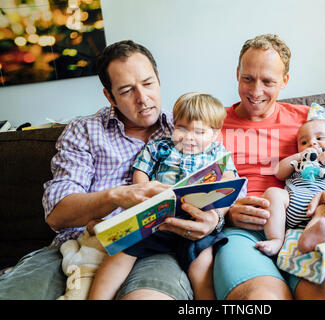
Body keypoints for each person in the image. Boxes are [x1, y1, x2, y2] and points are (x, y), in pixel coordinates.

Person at [0, 40, 221, 300]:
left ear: (159, 80)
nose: (143, 98)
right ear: (110, 95)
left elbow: (220, 179)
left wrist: (215, 218)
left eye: (148, 83)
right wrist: (115, 196)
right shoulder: (84, 130)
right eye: (127, 90)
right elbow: (57, 215)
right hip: (80, 242)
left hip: (157, 247)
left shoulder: (188, 127)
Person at [214, 34, 325, 300]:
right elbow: (194, 182)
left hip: (309, 221)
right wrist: (225, 212)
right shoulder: (213, 123)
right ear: (237, 73)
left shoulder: (312, 121)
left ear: (284, 81)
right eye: (247, 78)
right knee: (264, 298)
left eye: (268, 81)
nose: (256, 91)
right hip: (245, 229)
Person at [89, 92, 236, 300]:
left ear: (214, 134)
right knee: (121, 250)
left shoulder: (218, 154)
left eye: (199, 132)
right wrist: (145, 195)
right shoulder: (161, 147)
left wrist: (217, 202)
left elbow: (229, 178)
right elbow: (141, 170)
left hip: (196, 223)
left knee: (204, 263)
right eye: (181, 128)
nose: (188, 137)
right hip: (158, 220)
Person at [254, 118, 325, 257]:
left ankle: (311, 235)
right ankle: (276, 239)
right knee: (273, 193)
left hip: (320, 202)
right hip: (290, 203)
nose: (312, 143)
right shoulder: (299, 161)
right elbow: (278, 172)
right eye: (304, 142)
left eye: (320, 138)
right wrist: (298, 156)